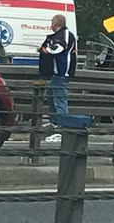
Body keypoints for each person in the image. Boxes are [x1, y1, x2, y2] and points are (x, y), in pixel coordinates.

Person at [38, 14, 77, 142]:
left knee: (60, 100)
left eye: (52, 22)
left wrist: (46, 50)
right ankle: (54, 122)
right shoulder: (59, 35)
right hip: (55, 73)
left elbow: (59, 48)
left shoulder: (65, 34)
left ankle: (62, 129)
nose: (51, 24)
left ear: (55, 23)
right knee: (51, 98)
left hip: (61, 72)